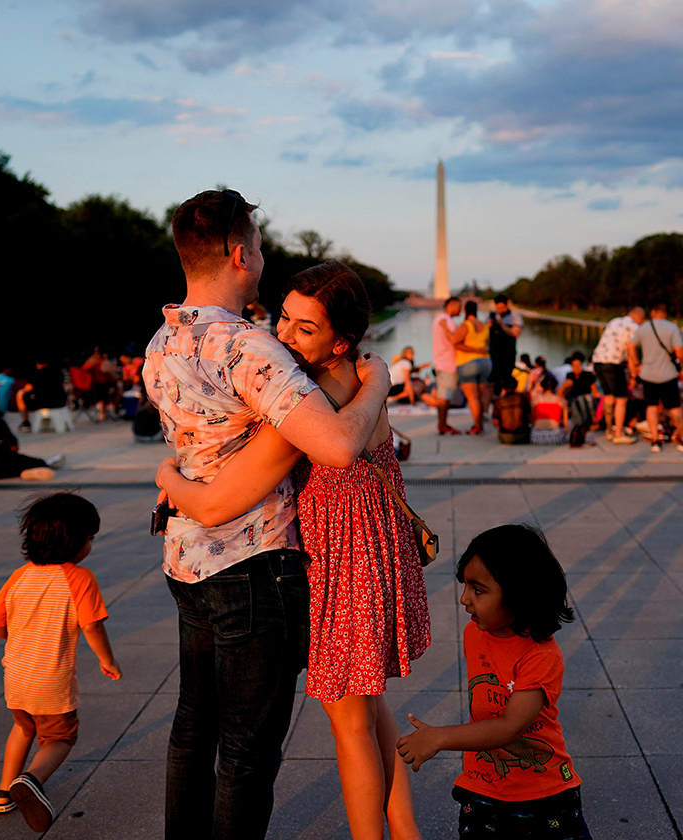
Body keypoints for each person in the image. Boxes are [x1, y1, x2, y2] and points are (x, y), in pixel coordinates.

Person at [143, 190, 391, 840]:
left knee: (192, 729)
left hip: (187, 559)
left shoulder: (162, 340)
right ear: (240, 253)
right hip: (254, 569)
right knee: (247, 753)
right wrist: (379, 384)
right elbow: (337, 446)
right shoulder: (250, 348)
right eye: (258, 243)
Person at [396, 524, 590, 840]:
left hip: (544, 795)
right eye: (465, 586)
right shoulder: (475, 634)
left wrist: (438, 738)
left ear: (519, 593)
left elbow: (512, 725)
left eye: (478, 589)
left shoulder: (540, 655)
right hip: (483, 787)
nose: (463, 599)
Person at [0, 493, 121, 832]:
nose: (90, 544)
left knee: (24, 726)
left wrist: (12, 635)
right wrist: (108, 659)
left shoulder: (19, 576)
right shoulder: (80, 578)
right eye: (90, 538)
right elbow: (92, 625)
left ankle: (4, 792)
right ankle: (31, 780)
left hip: (15, 675)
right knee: (59, 738)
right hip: (51, 680)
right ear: (75, 542)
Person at [627, 301, 683, 454]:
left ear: (653, 312)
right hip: (668, 374)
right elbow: (679, 352)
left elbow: (630, 346)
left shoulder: (644, 327)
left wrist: (637, 364)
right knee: (675, 409)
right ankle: (682, 439)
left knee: (651, 407)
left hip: (648, 374)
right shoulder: (672, 328)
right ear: (665, 313)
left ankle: (655, 441)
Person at [592, 307, 644, 443]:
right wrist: (634, 375)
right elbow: (631, 352)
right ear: (640, 319)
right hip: (613, 363)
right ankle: (619, 434)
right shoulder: (634, 327)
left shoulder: (614, 321)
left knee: (608, 397)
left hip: (598, 361)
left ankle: (609, 430)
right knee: (621, 399)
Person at [450, 300, 491, 434]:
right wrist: (479, 350)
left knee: (473, 398)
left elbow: (455, 343)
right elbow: (486, 344)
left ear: (465, 311)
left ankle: (477, 426)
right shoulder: (484, 326)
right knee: (481, 396)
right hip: (486, 363)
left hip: (468, 364)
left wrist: (473, 350)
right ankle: (482, 422)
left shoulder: (465, 326)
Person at [432, 296, 463, 434]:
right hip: (447, 363)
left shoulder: (438, 319)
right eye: (459, 307)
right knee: (444, 397)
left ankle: (442, 424)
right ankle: (442, 425)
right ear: (452, 306)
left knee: (443, 396)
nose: (460, 310)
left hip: (441, 362)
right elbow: (454, 340)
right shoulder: (446, 321)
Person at [559, 353, 601, 446]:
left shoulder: (588, 375)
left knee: (587, 399)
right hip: (573, 398)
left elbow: (594, 391)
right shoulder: (570, 375)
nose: (577, 368)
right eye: (575, 366)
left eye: (579, 365)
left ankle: (593, 420)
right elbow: (564, 391)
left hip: (586, 397)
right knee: (576, 401)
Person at [15, 360, 68, 431]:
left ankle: (26, 421)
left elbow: (28, 388)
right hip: (60, 402)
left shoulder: (36, 374)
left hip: (42, 403)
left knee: (20, 394)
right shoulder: (58, 372)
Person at [488, 294, 524, 396]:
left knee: (506, 379)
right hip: (494, 354)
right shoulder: (492, 316)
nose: (500, 310)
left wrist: (501, 325)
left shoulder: (515, 316)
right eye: (498, 308)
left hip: (508, 354)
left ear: (507, 305)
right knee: (494, 381)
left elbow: (516, 333)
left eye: (502, 307)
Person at [491, 376, 531, 444]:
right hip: (523, 436)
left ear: (503, 388)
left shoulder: (498, 402)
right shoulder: (522, 399)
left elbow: (496, 423)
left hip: (505, 437)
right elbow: (530, 418)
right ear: (516, 387)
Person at [530, 373, 568, 445]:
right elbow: (565, 424)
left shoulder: (535, 401)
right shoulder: (561, 401)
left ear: (542, 387)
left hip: (536, 437)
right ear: (555, 387)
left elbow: (532, 421)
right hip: (556, 437)